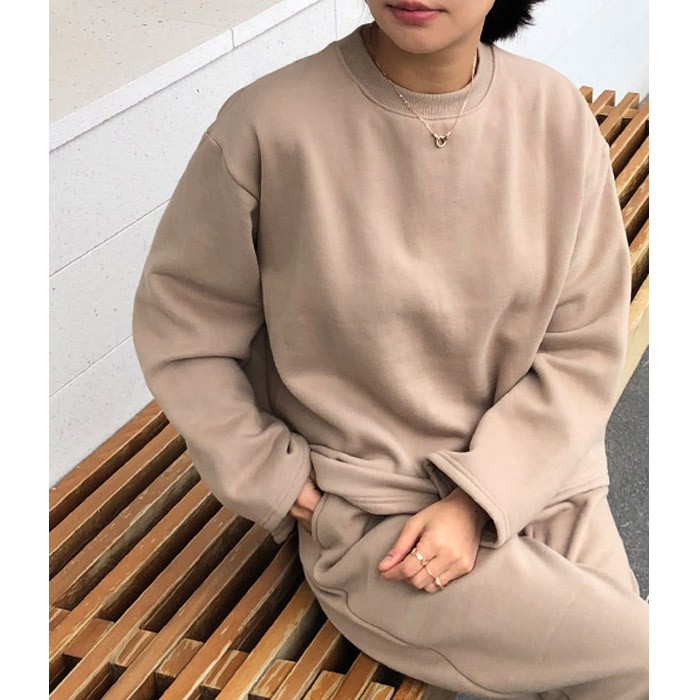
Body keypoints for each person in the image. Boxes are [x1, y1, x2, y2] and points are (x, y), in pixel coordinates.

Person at [131, 1, 649, 697]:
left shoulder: (554, 115)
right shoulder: (266, 127)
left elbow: (581, 345)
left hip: (542, 482)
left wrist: (476, 501)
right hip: (380, 521)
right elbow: (183, 330)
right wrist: (276, 481)